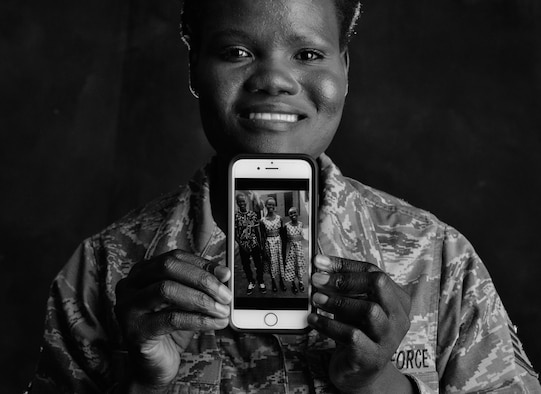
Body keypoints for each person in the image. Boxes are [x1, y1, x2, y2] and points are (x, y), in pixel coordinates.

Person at [28, 0, 541, 393]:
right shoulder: (99, 269)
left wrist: (375, 384)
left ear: (344, 67)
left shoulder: (439, 258)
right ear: (193, 70)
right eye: (236, 52)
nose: (273, 79)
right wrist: (142, 380)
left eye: (309, 54)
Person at [234, 193, 266, 295]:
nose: (241, 203)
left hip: (254, 243)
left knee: (258, 264)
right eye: (239, 201)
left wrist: (260, 245)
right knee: (246, 265)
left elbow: (257, 231)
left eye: (243, 201)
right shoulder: (235, 216)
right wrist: (241, 245)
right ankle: (251, 282)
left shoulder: (253, 215)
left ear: (246, 202)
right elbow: (235, 234)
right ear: (237, 203)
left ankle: (261, 281)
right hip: (243, 245)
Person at [260, 197, 287, 293]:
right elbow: (263, 236)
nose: (271, 206)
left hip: (278, 243)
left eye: (272, 204)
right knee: (271, 263)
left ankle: (281, 281)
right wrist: (263, 249)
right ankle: (273, 282)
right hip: (269, 244)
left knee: (280, 262)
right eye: (269, 204)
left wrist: (284, 248)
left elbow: (283, 234)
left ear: (275, 206)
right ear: (266, 206)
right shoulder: (262, 220)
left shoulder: (279, 218)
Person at [284, 207, 307, 294]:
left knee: (299, 266)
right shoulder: (286, 226)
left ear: (297, 213)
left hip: (299, 250)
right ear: (288, 215)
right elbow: (285, 239)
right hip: (290, 250)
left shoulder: (301, 224)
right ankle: (293, 283)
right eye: (291, 213)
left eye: (294, 213)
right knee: (291, 267)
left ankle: (300, 282)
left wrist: (298, 238)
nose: (293, 215)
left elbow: (302, 236)